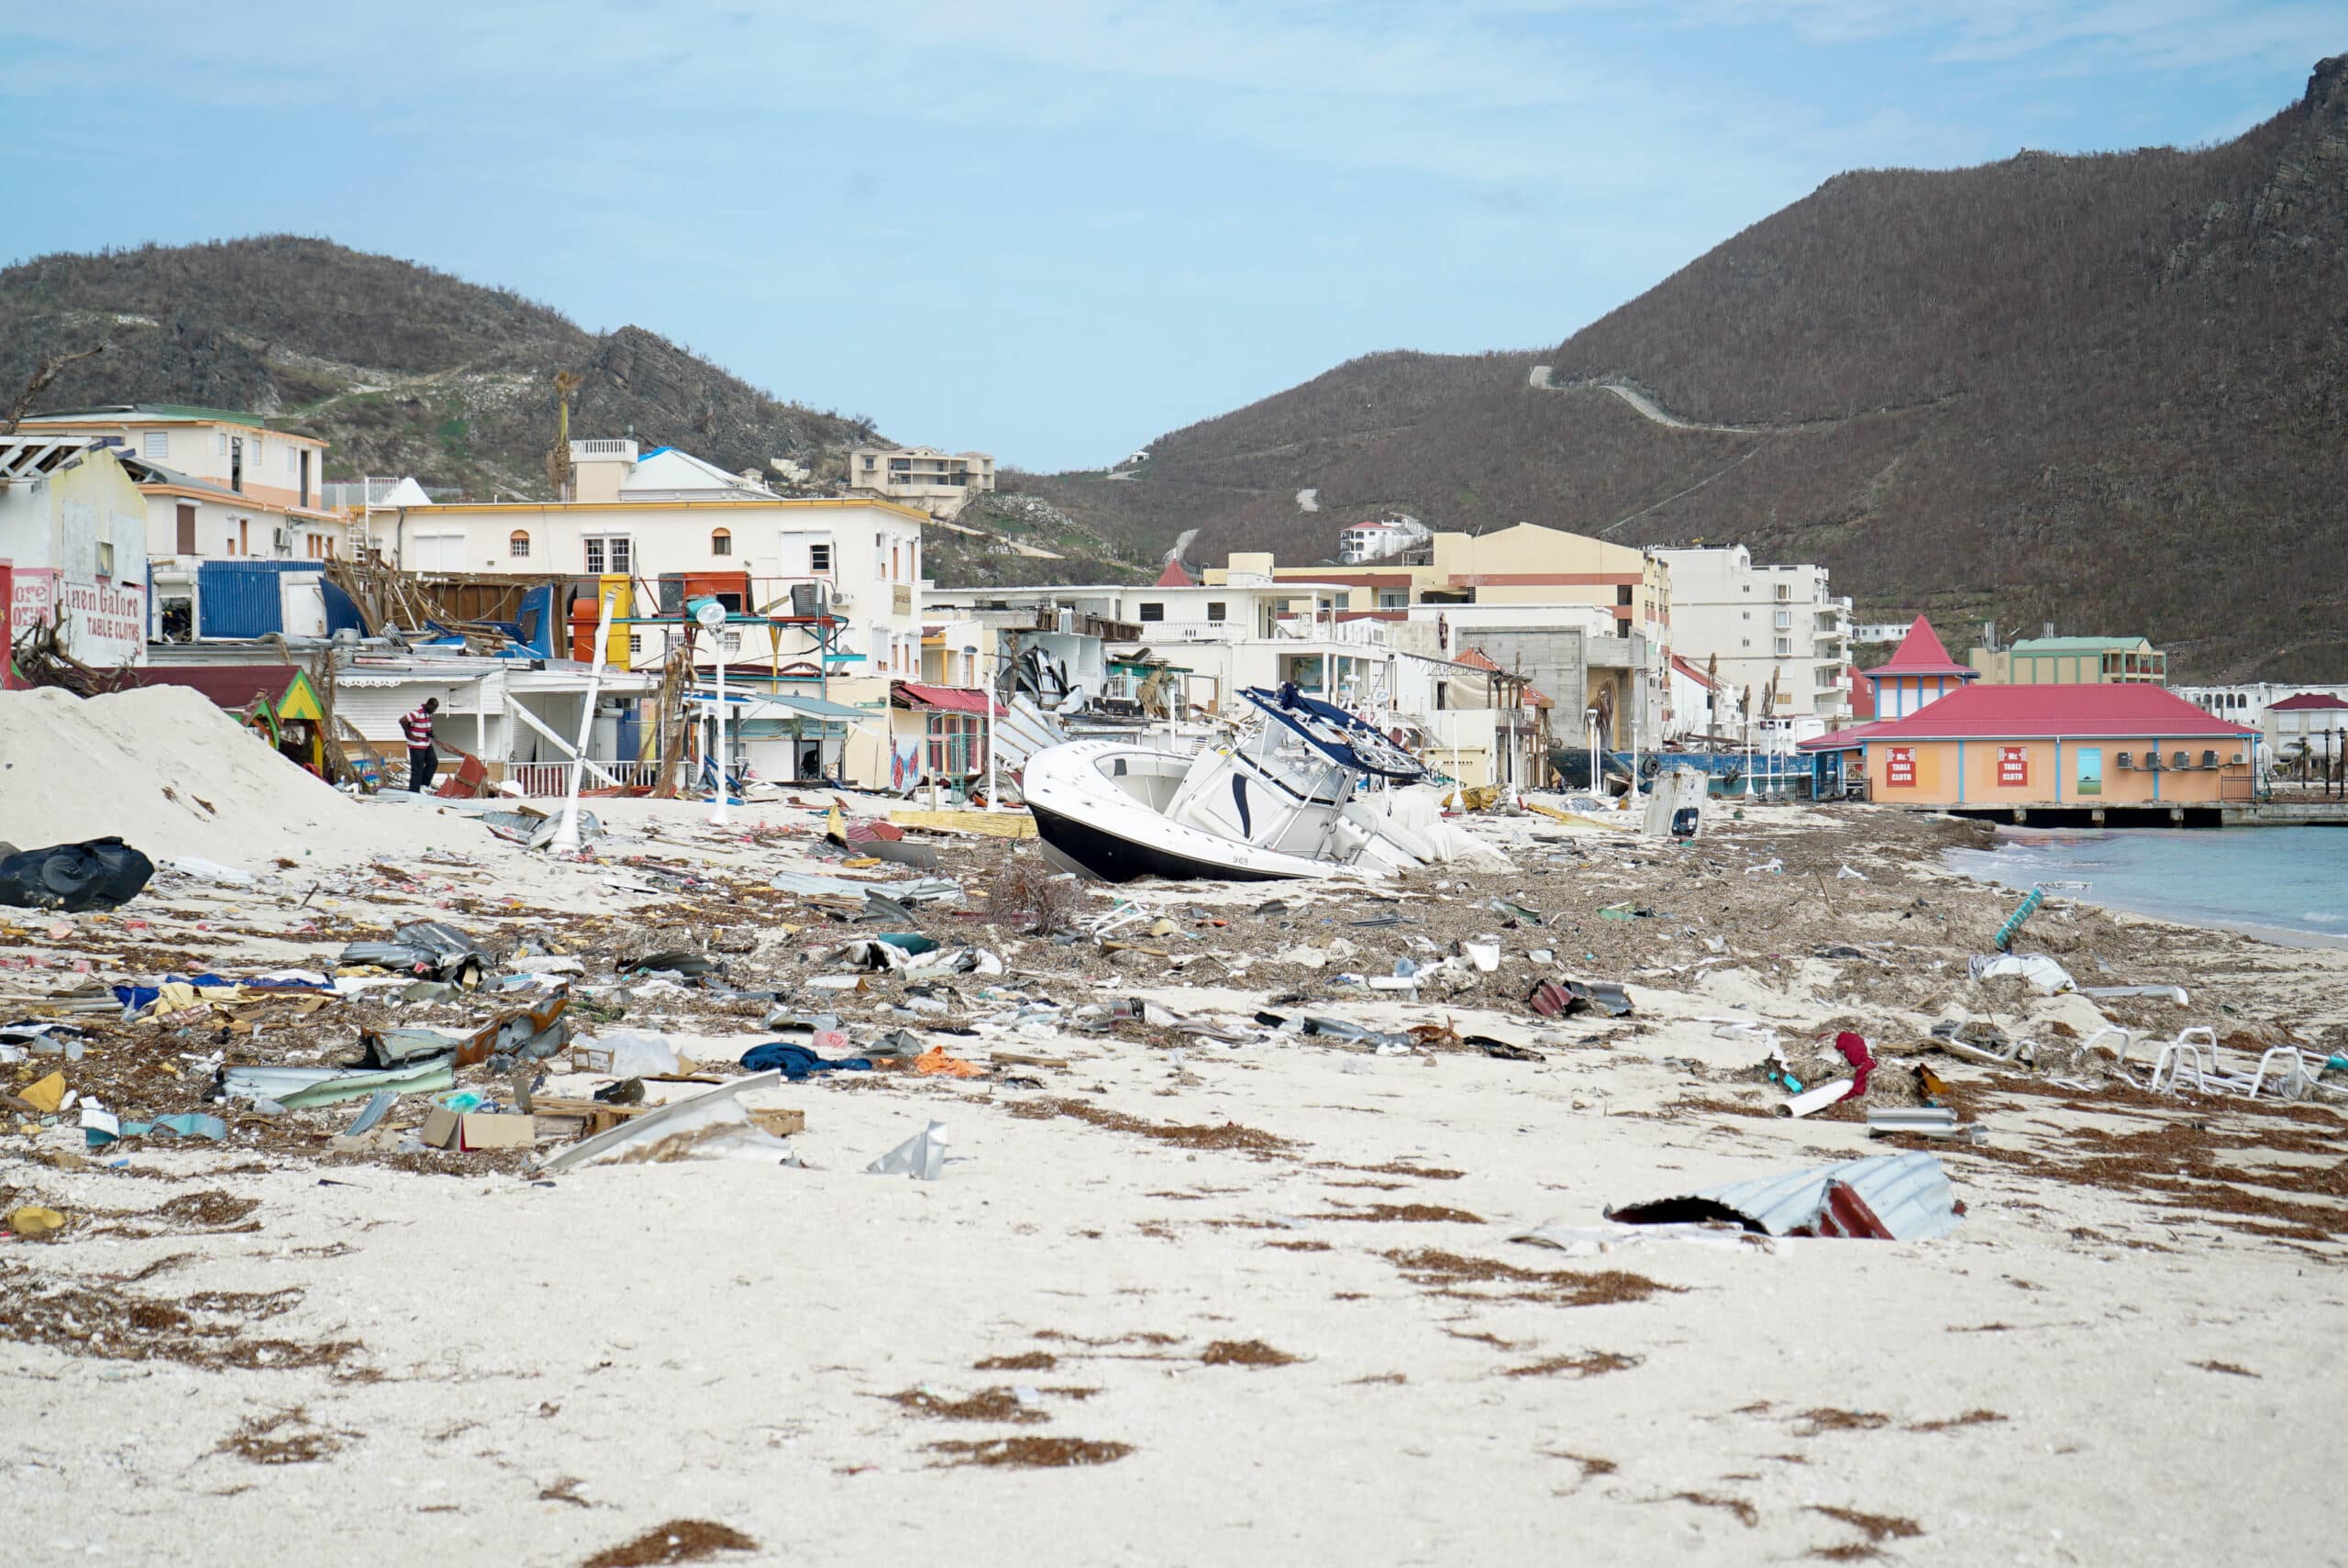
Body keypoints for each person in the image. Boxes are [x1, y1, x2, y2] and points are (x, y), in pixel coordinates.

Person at [402, 697, 439, 792]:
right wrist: (410, 734)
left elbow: (427, 728)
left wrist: (432, 735)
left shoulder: (428, 714)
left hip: (426, 743)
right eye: (433, 709)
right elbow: (402, 721)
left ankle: (424, 785)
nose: (434, 711)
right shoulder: (417, 712)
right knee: (418, 768)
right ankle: (414, 791)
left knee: (433, 762)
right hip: (416, 745)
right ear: (428, 705)